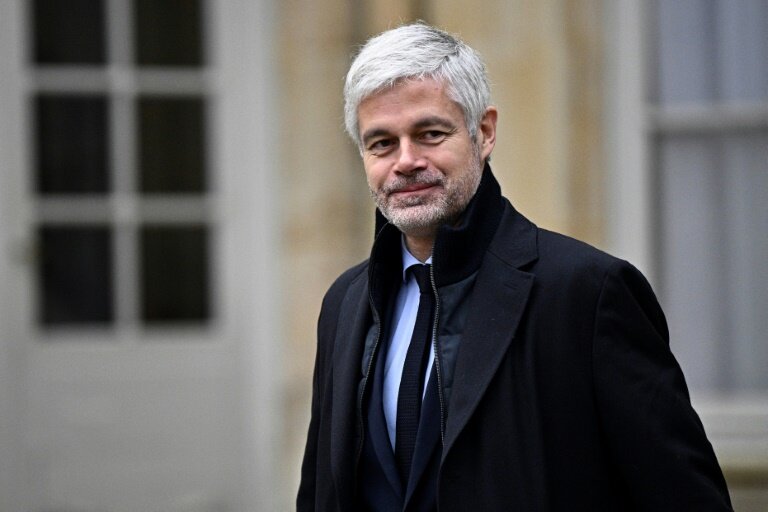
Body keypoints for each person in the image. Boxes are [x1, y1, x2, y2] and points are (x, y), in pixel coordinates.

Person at [297, 22, 732, 511]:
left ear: (484, 133)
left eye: (430, 133)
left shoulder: (588, 293)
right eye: (382, 143)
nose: (406, 161)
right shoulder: (344, 302)